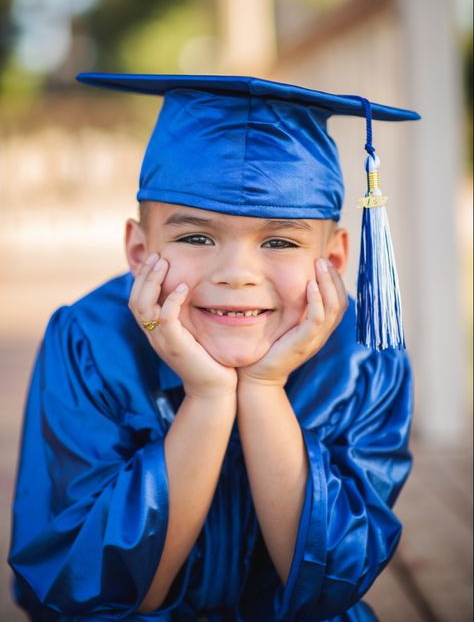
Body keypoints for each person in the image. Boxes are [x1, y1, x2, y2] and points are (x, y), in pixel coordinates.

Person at [8, 74, 420, 622]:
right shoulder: (90, 344)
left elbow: (326, 589)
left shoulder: (364, 358)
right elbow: (105, 594)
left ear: (335, 261)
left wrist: (265, 388)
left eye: (279, 241)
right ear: (138, 250)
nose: (236, 274)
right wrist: (206, 396)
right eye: (196, 237)